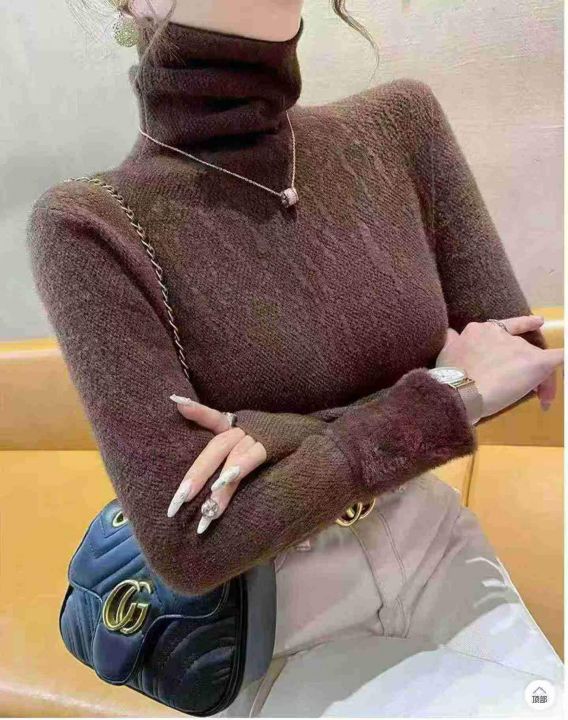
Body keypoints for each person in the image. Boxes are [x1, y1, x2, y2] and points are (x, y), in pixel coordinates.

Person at [27, 0, 563, 715]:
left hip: (442, 551)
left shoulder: (401, 126)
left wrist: (282, 434)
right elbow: (189, 547)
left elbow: (516, 363)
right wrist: (447, 390)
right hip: (275, 623)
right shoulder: (89, 225)